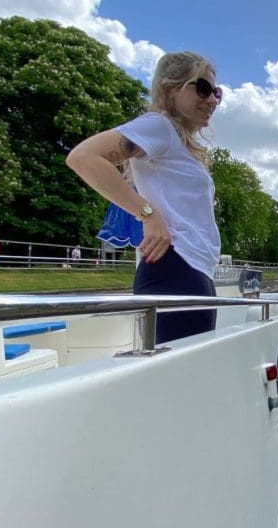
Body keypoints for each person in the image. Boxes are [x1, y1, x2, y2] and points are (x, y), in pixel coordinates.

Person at [66, 51, 223, 342]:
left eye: (216, 92)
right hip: (176, 268)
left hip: (193, 269)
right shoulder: (159, 126)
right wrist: (147, 214)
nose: (212, 99)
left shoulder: (176, 141)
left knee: (188, 376)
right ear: (170, 89)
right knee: (180, 378)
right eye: (202, 88)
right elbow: (84, 157)